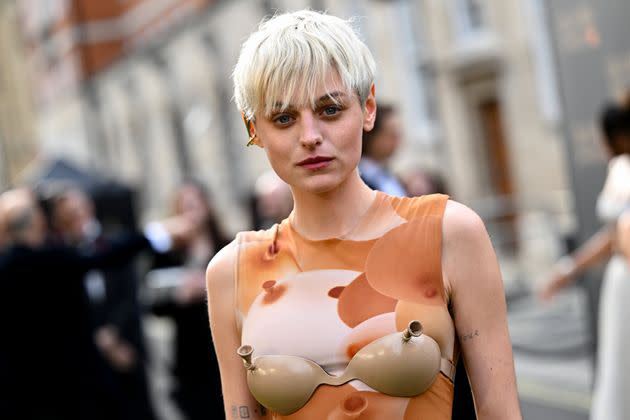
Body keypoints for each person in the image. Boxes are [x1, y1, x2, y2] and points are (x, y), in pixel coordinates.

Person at [206, 10, 520, 419]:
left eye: (330, 110)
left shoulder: (448, 232)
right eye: (284, 118)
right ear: (254, 130)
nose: (310, 136)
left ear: (367, 107)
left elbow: (501, 411)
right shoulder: (231, 271)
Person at [0, 187, 194, 420]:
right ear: (37, 221)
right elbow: (105, 256)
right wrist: (159, 234)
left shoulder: (10, 266)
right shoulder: (46, 259)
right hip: (64, 384)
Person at [540, 96, 630, 419]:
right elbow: (612, 236)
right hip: (621, 282)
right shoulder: (620, 168)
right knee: (619, 366)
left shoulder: (622, 169)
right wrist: (568, 269)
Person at [49, 186, 156, 420]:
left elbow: (129, 294)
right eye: (67, 218)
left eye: (78, 213)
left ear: (89, 209)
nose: (75, 221)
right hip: (90, 358)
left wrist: (113, 334)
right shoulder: (61, 255)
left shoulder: (115, 241)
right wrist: (98, 339)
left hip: (126, 345)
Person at [150, 180, 227, 419]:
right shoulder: (168, 254)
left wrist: (209, 287)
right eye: (184, 207)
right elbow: (154, 305)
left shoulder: (226, 245)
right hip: (189, 354)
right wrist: (179, 296)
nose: (191, 212)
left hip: (224, 348)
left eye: (195, 204)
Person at [358, 103, 408, 197]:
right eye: (392, 134)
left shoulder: (388, 175)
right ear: (372, 136)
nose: (398, 139)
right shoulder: (359, 179)